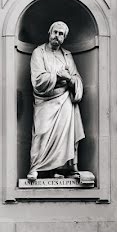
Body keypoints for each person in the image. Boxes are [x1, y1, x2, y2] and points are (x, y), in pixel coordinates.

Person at [27, 20, 85, 181]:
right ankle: (36, 166)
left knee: (64, 135)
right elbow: (38, 80)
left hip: (64, 99)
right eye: (55, 32)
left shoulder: (67, 56)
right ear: (49, 33)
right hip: (45, 100)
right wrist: (59, 76)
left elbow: (76, 79)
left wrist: (70, 80)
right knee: (42, 132)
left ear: (64, 38)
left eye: (61, 34)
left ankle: (59, 169)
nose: (57, 36)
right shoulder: (39, 53)